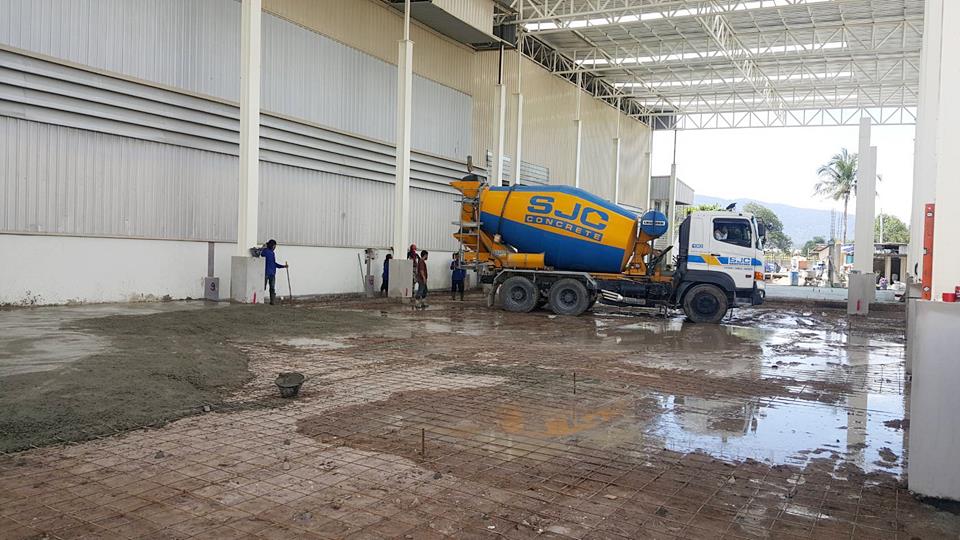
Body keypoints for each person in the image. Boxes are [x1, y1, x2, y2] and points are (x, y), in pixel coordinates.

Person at [262, 239, 288, 305]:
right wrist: (283, 266)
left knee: (267, 288)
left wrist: (283, 266)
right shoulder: (266, 251)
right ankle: (270, 301)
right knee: (269, 288)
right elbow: (274, 263)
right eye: (274, 246)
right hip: (267, 273)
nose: (275, 247)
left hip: (271, 273)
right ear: (272, 246)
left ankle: (271, 301)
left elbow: (274, 263)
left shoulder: (270, 252)